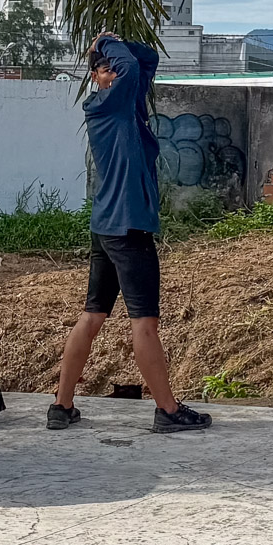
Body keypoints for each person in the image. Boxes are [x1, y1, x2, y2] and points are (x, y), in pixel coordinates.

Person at [49, 33, 213, 435]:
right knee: (145, 323)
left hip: (107, 226)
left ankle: (61, 406)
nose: (114, 73)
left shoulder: (126, 105)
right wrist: (104, 44)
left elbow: (147, 60)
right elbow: (131, 67)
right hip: (128, 228)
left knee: (93, 315)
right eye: (104, 70)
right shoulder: (110, 103)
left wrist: (115, 43)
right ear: (95, 78)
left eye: (113, 70)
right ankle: (168, 411)